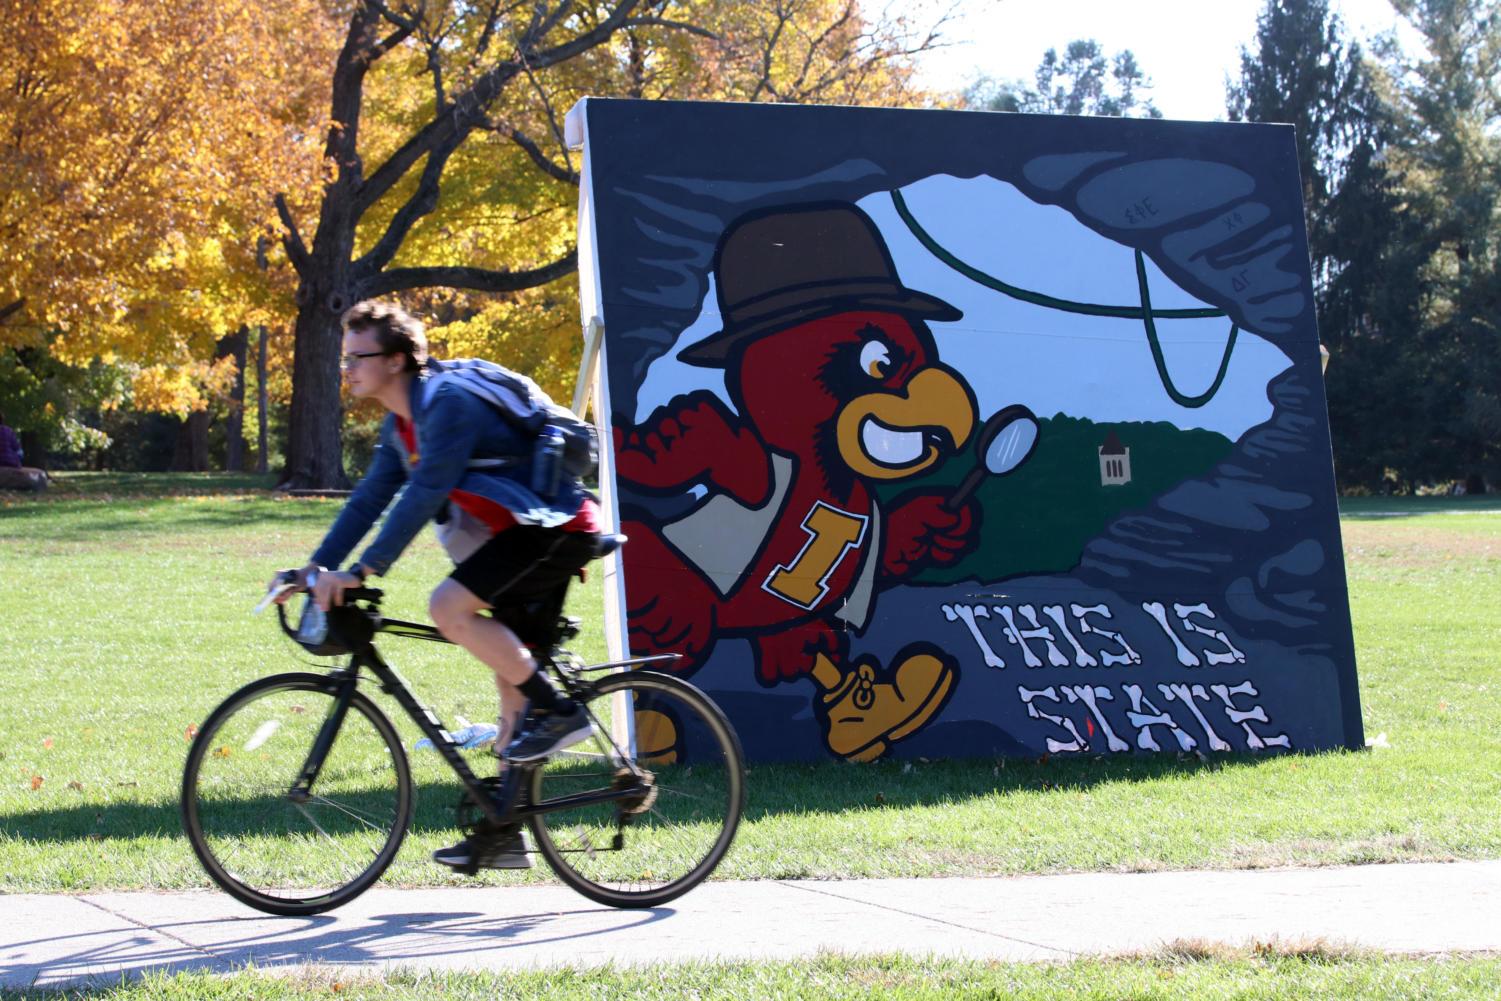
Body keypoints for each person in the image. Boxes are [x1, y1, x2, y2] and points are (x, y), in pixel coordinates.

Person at [278, 300, 603, 870]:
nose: (347, 369)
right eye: (344, 359)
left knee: (447, 608)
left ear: (398, 360)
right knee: (510, 679)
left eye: (360, 357)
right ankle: (505, 833)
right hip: (514, 535)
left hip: (554, 528)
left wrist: (360, 572)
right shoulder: (401, 422)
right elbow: (370, 500)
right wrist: (314, 568)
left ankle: (563, 713)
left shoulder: (445, 406)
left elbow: (423, 494)